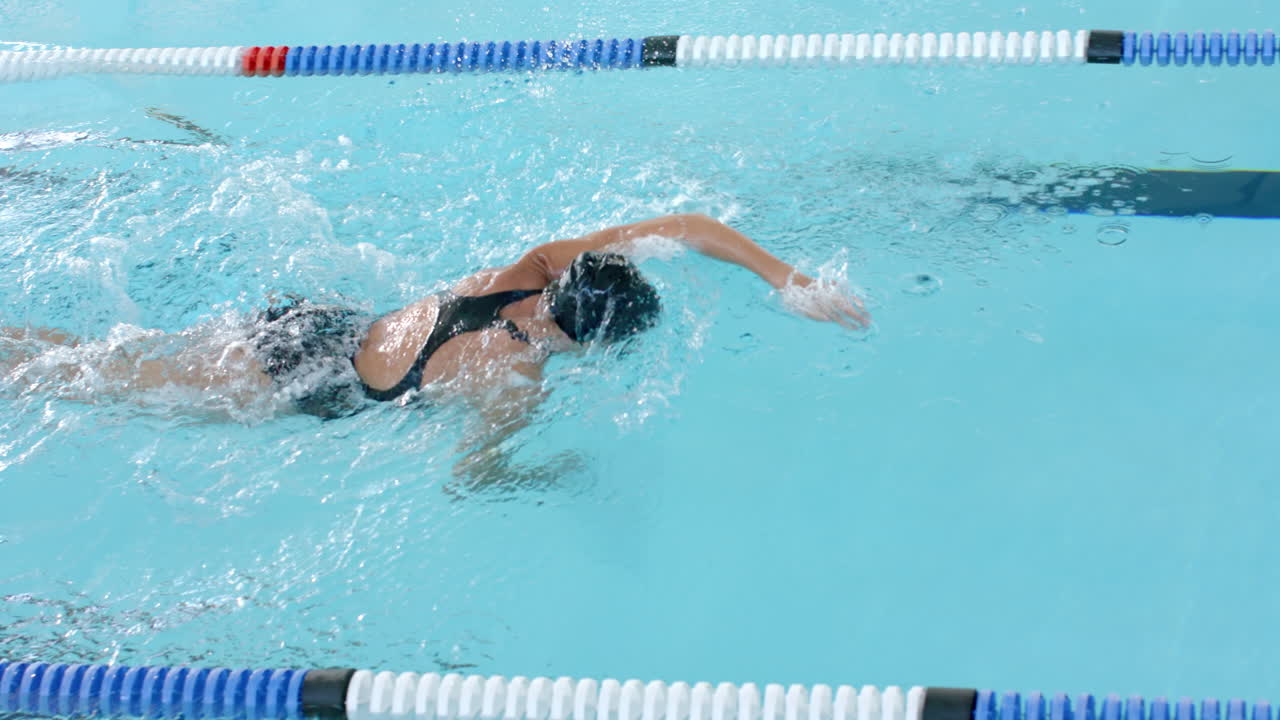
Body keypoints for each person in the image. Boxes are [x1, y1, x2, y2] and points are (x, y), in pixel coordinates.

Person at [3, 214, 868, 485]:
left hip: (317, 324)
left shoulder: (522, 270)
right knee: (85, 381)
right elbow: (470, 480)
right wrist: (546, 471)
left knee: (100, 356)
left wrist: (785, 278)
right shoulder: (517, 378)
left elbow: (679, 223)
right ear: (588, 346)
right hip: (299, 380)